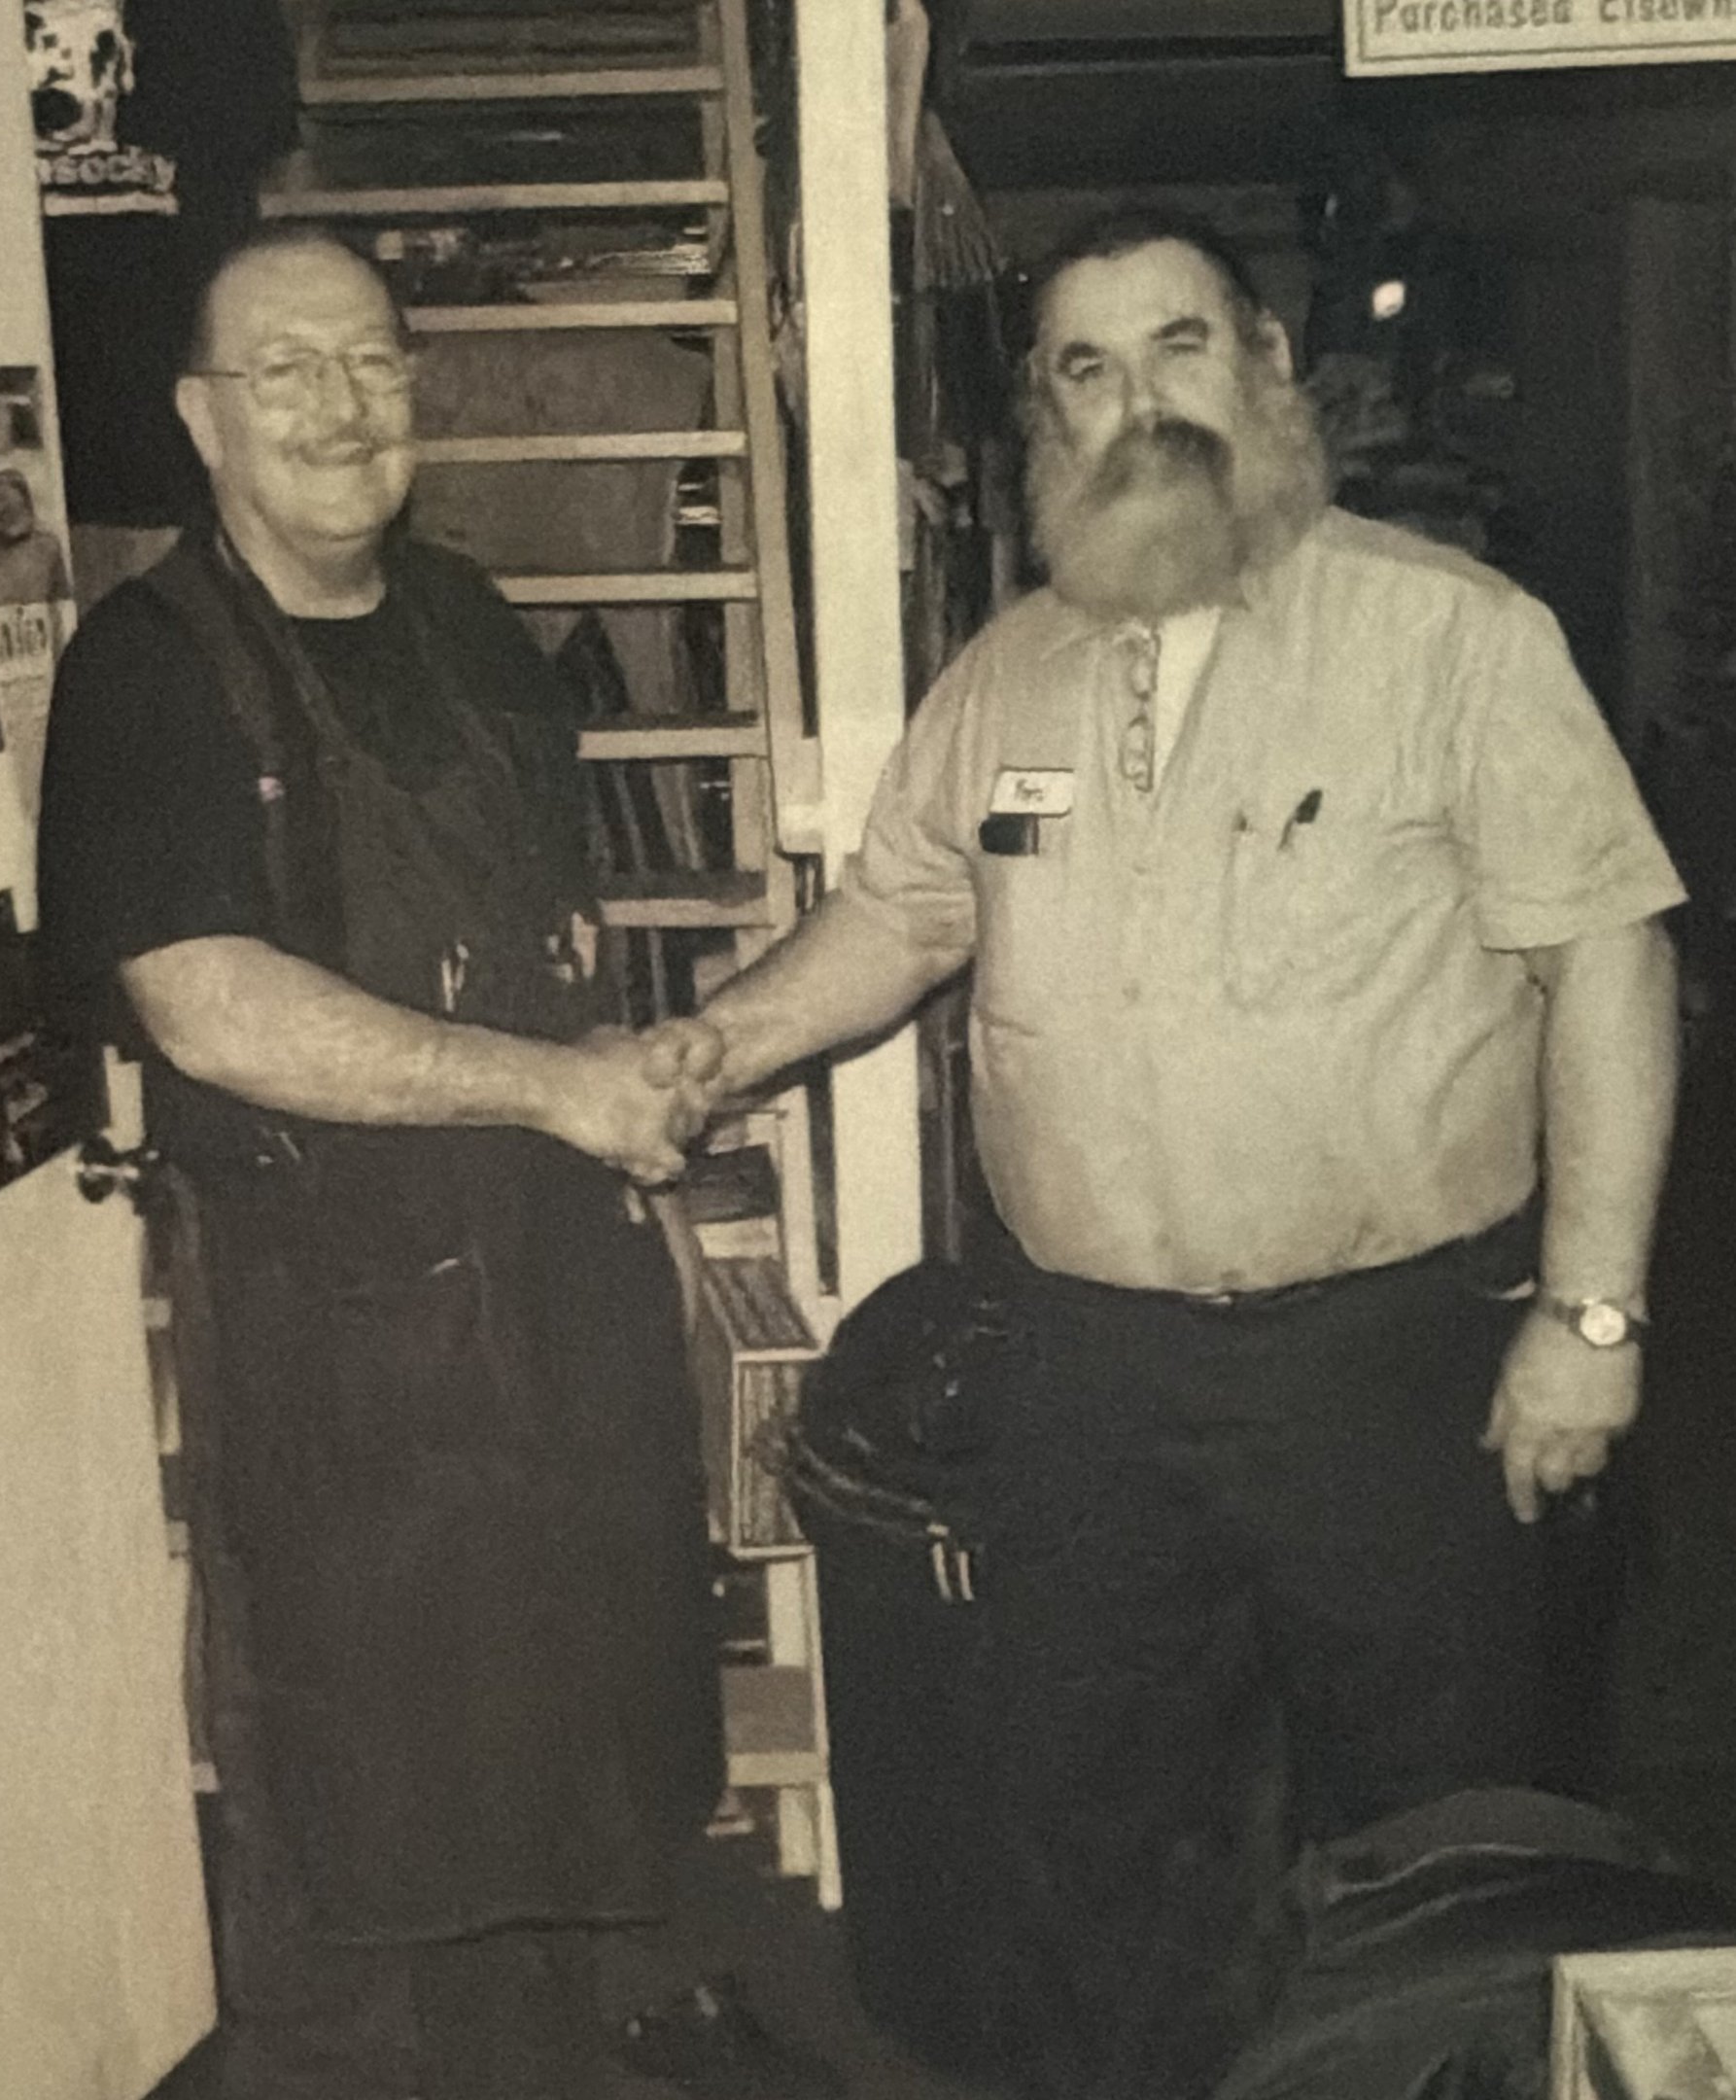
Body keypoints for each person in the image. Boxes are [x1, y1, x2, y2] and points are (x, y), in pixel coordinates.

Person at [657, 206, 1685, 2096]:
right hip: (1090, 1385)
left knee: (1443, 1829)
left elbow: (1605, 959)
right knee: (1105, 1826)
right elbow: (896, 919)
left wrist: (1591, 1315)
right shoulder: (1005, 679)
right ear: (1042, 419)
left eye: (1177, 346)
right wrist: (706, 1049)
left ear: (1267, 368)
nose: (1136, 402)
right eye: (1086, 367)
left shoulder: (1449, 636)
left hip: (1392, 1369)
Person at [36, 227, 803, 2100]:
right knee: (364, 1740)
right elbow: (207, 1006)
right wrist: (555, 1092)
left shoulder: (466, 619)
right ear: (202, 418)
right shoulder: (148, 668)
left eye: (372, 361)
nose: (338, 407)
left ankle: (615, 2017)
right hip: (336, 1309)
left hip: (549, 1253)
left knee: (599, 1665)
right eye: (284, 371)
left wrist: (636, 1128)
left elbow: (548, 930)